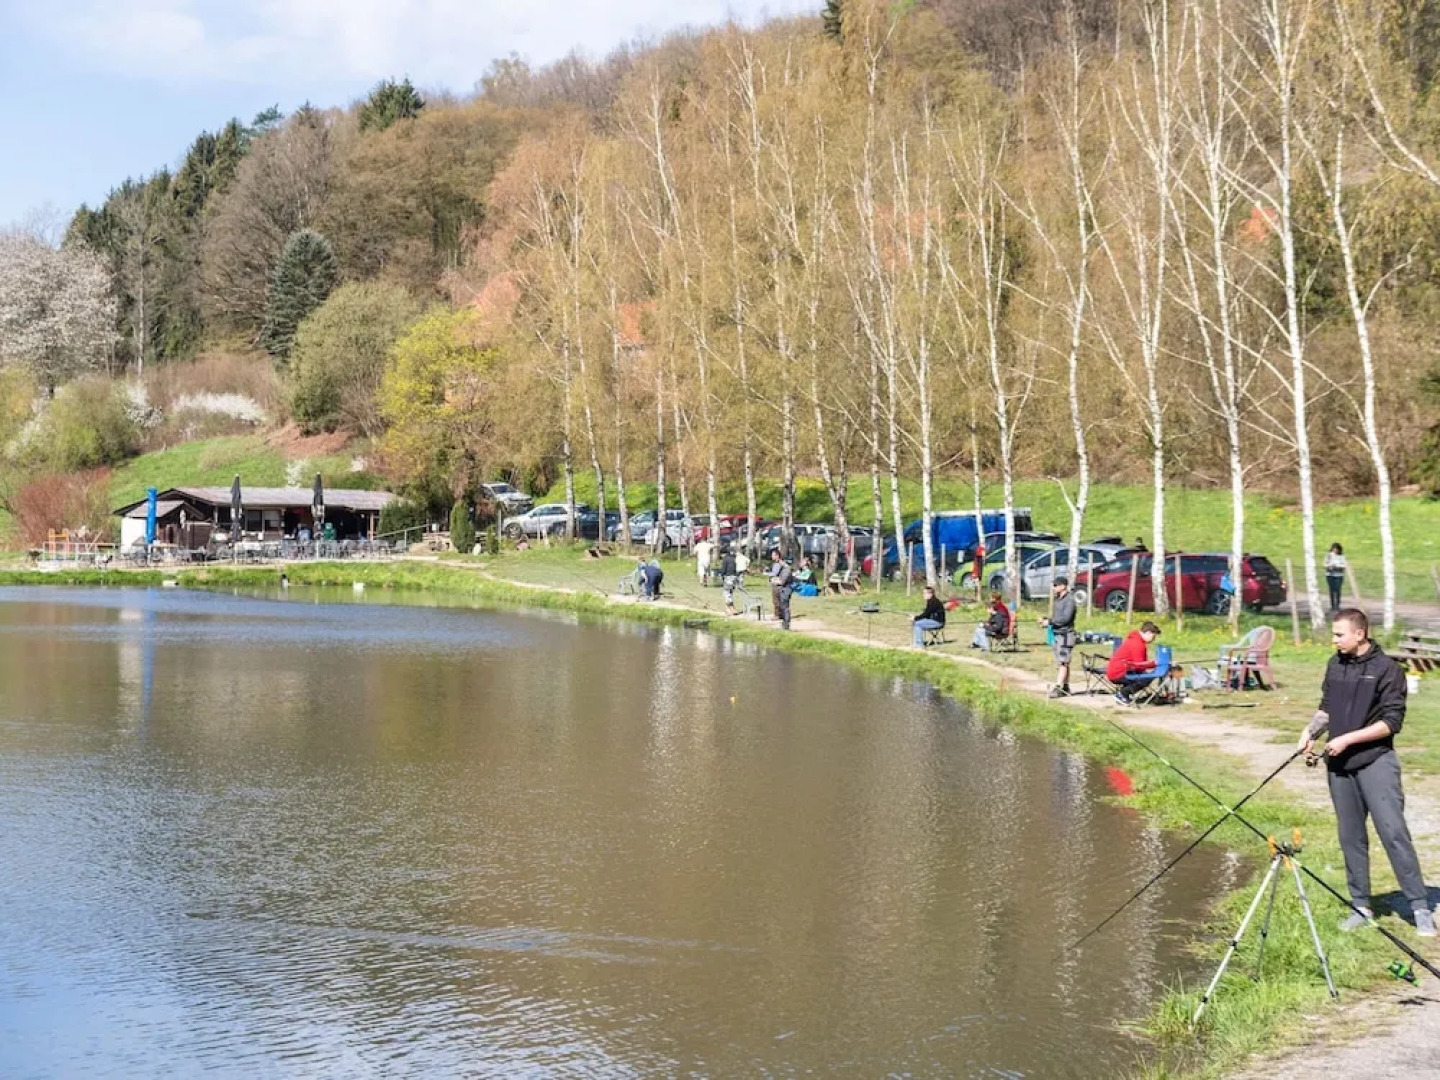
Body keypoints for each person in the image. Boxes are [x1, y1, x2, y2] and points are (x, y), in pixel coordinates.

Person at [1297, 609, 1434, 937]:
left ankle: (1420, 906)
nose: (1334, 640)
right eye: (1334, 634)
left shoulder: (1387, 670)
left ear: (1360, 634)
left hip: (1376, 762)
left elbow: (1391, 723)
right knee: (1350, 837)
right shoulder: (1336, 663)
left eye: (1339, 634)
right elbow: (1327, 706)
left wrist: (1347, 739)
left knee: (1394, 833)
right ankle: (1361, 905)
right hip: (1339, 767)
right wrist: (1310, 732)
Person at [1107, 621, 1161, 702]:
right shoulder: (1137, 644)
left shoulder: (1135, 640)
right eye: (1153, 637)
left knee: (1144, 675)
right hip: (1118, 673)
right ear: (1148, 633)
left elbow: (1140, 664)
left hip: (1120, 670)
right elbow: (1139, 665)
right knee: (1147, 678)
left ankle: (1124, 693)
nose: (1153, 639)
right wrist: (1155, 663)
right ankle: (1122, 694)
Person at [1041, 576, 1077, 697]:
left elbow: (1065, 619)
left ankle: (1058, 687)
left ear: (1063, 586)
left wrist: (1050, 622)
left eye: (1056, 585)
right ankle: (1066, 686)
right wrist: (1046, 620)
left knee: (1063, 662)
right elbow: (1057, 618)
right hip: (1057, 634)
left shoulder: (1070, 601)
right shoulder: (1058, 600)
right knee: (1062, 662)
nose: (1053, 588)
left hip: (1065, 635)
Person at [767, 548, 794, 630]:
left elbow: (782, 581)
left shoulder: (786, 569)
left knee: (784, 607)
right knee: (782, 606)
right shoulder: (780, 567)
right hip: (781, 588)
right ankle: (784, 623)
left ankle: (786, 624)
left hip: (785, 590)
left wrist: (774, 580)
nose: (780, 563)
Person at [1325, 543, 1347, 613]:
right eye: (1334, 548)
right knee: (1331, 590)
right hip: (1330, 574)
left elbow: (1344, 565)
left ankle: (1337, 605)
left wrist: (1338, 566)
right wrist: (1329, 566)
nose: (1335, 550)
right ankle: (1332, 605)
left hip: (1339, 575)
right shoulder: (1328, 555)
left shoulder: (1341, 556)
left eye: (1336, 548)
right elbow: (1325, 564)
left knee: (1337, 590)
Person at [720, 546, 740, 615]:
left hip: (728, 577)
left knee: (727, 593)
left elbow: (724, 569)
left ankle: (731, 608)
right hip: (735, 577)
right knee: (730, 592)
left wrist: (722, 575)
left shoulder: (726, 559)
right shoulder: (735, 558)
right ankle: (728, 609)